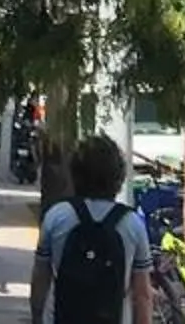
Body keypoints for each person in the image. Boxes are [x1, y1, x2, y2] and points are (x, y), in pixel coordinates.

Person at [31, 134, 152, 324]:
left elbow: (40, 280)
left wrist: (37, 317)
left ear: (75, 174)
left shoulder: (56, 216)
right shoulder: (132, 224)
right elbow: (142, 295)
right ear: (118, 177)